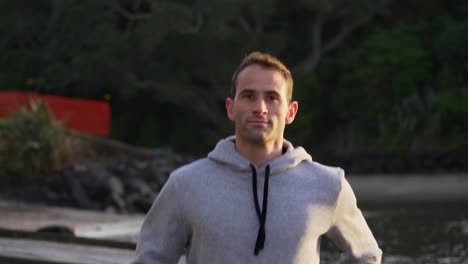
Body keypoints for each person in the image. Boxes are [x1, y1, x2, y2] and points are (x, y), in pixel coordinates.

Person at [131, 52, 382, 264]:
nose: (260, 107)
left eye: (272, 97)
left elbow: (367, 256)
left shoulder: (328, 185)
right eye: (249, 95)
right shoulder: (185, 184)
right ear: (231, 107)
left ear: (290, 111)